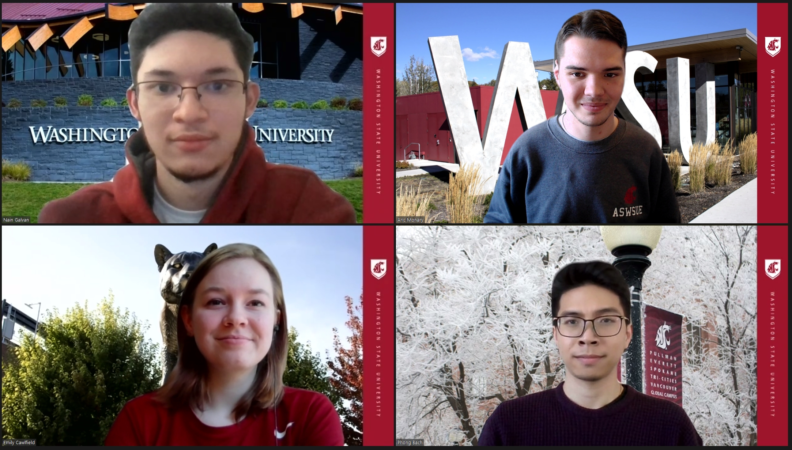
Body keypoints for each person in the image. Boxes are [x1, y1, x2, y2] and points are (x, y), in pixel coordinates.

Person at [38, 3, 356, 224]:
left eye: (217, 85)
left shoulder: (309, 208)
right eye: (163, 87)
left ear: (249, 100)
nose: (189, 113)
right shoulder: (71, 218)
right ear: (135, 104)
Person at [105, 243, 344, 445]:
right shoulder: (139, 420)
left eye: (255, 302)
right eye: (216, 301)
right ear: (188, 320)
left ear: (276, 319)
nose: (236, 318)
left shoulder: (310, 415)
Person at [484, 10, 680, 224]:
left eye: (610, 74)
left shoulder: (646, 152)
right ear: (557, 75)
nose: (593, 91)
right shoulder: (527, 152)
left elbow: (670, 241)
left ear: (624, 74)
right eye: (577, 74)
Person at [478, 261, 702, 446]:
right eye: (572, 321)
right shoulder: (508, 425)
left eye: (606, 321)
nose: (588, 336)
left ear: (627, 334)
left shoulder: (670, 427)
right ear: (556, 334)